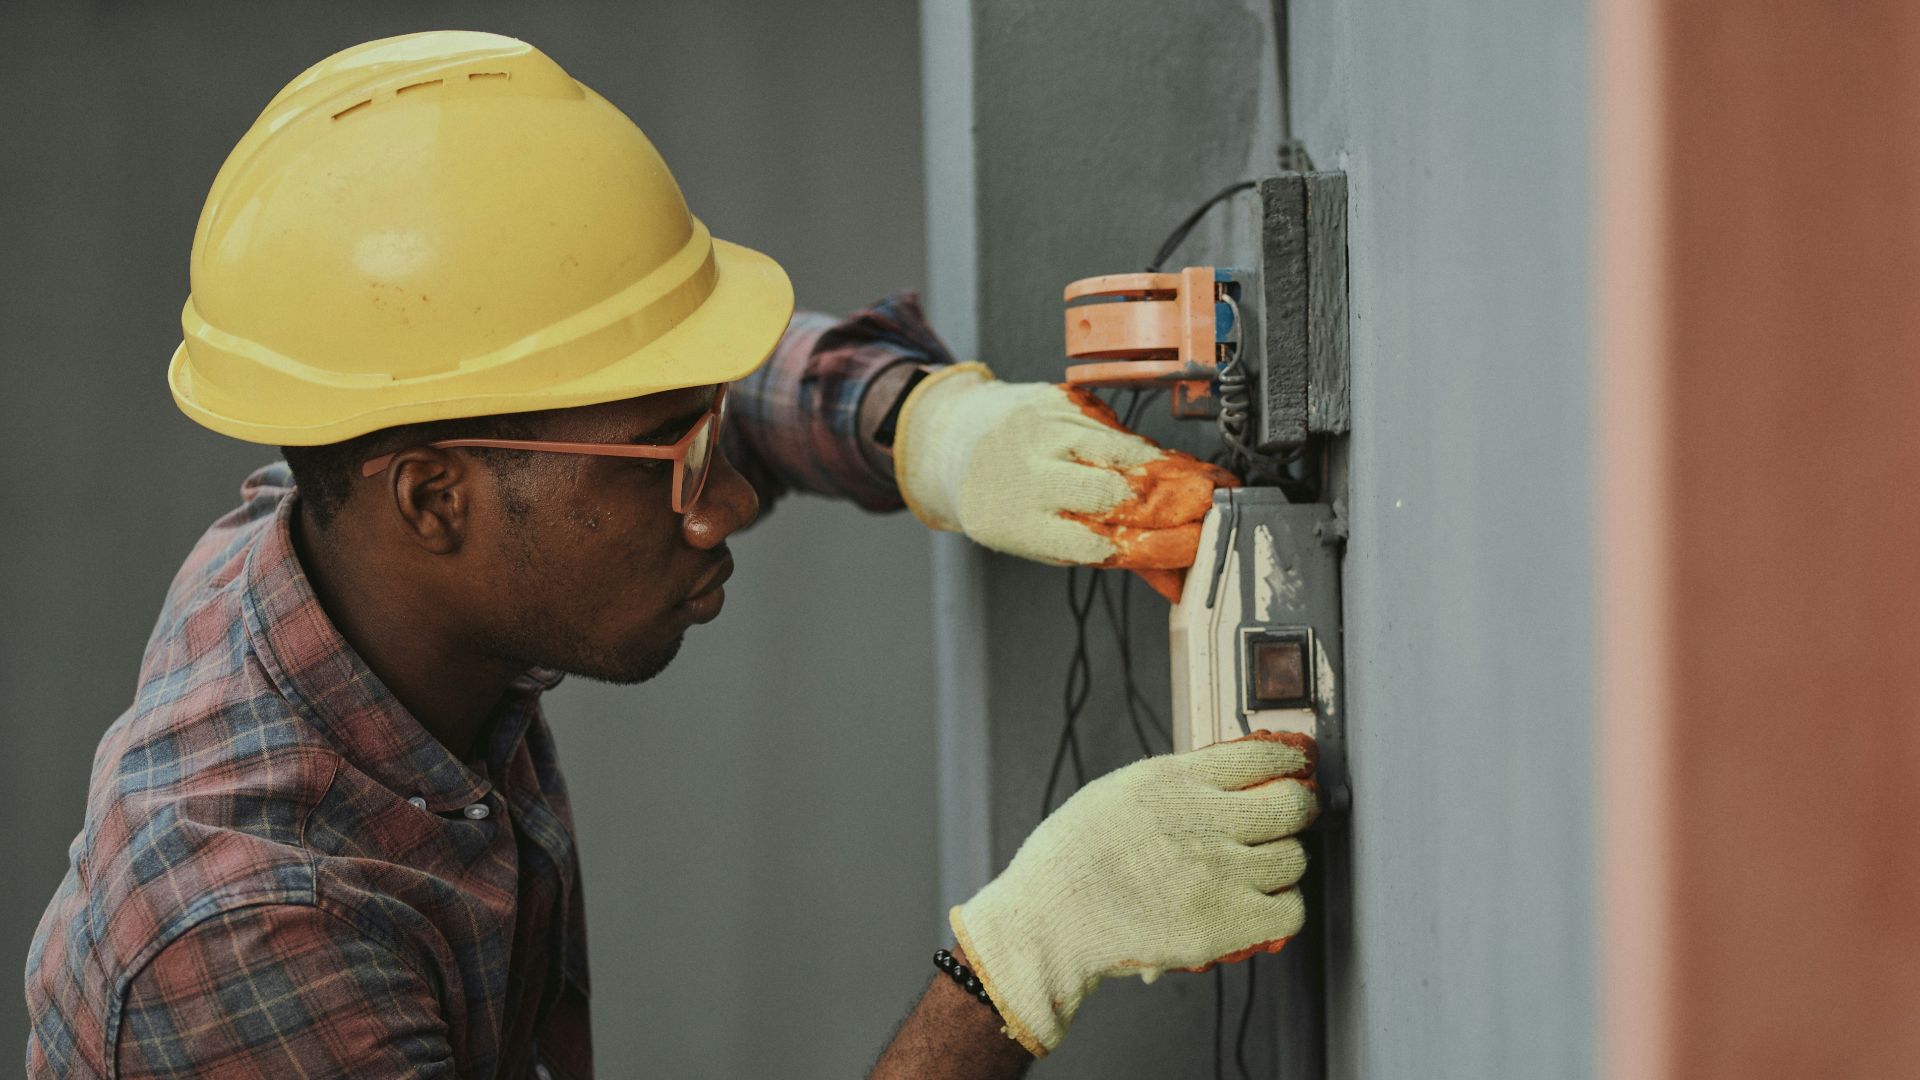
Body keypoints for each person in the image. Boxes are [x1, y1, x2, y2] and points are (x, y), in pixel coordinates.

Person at [24, 32, 1318, 1079]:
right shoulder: (253, 936)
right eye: (671, 465)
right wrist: (1017, 968)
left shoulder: (345, 514)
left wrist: (921, 425)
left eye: (708, 437)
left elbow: (636, 396)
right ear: (431, 498)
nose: (722, 509)